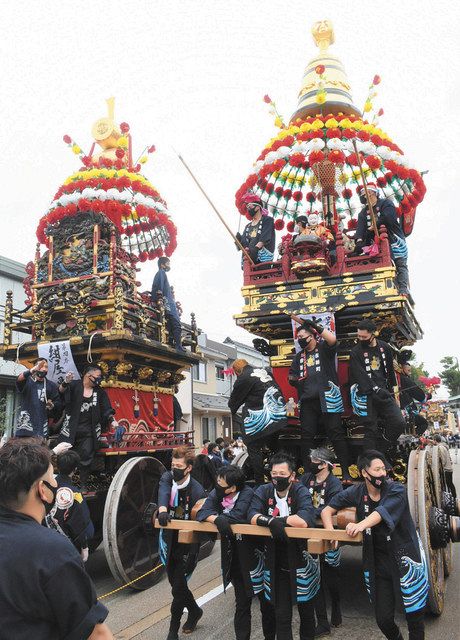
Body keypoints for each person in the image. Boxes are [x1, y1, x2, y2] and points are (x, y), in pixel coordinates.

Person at [0, 438, 113, 640]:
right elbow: (96, 634)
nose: (56, 483)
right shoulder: (51, 550)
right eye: (53, 478)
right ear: (42, 490)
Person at [322, 450, 428, 640]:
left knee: (414, 616)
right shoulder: (357, 491)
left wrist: (360, 525)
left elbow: (381, 512)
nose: (382, 473)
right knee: (383, 619)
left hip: (405, 557)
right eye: (377, 469)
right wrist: (331, 532)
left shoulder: (396, 489)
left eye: (383, 469)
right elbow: (328, 510)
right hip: (377, 560)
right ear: (364, 473)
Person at [197, 466, 276, 640]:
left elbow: (240, 515)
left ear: (232, 488)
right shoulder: (218, 492)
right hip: (235, 557)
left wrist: (221, 519)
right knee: (241, 603)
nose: (217, 484)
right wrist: (217, 519)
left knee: (267, 603)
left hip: (256, 555)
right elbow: (203, 511)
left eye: (221, 482)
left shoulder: (248, 493)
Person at [248, 452, 319, 640]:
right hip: (275, 559)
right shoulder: (263, 491)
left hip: (301, 557)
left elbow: (304, 519)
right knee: (282, 615)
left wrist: (278, 520)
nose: (277, 478)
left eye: (282, 474)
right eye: (274, 474)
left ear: (292, 476)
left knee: (306, 612)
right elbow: (252, 516)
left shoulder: (300, 491)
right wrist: (271, 522)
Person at [288, 319, 350, 481]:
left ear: (312, 336)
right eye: (298, 337)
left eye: (303, 336)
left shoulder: (324, 349)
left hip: (329, 399)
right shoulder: (299, 357)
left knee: (336, 435)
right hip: (308, 402)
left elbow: (332, 340)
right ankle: (309, 473)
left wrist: (315, 326)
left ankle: (346, 472)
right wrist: (293, 379)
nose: (300, 339)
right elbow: (292, 374)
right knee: (306, 437)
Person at [158, 446, 206, 640]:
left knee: (178, 587)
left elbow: (200, 523)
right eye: (172, 465)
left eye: (179, 466)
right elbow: (162, 491)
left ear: (188, 468)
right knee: (175, 583)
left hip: (188, 544)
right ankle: (194, 610)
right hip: (169, 539)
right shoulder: (167, 478)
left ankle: (172, 631)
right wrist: (162, 510)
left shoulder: (197, 490)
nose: (174, 469)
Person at [300, 448, 343, 636]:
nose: (311, 462)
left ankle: (336, 605)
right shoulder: (306, 478)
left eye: (314, 460)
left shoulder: (334, 484)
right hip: (309, 530)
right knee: (313, 574)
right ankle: (322, 622)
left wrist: (309, 512)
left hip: (328, 531)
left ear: (324, 464)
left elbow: (332, 507)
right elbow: (299, 497)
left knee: (331, 575)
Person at [349, 320, 406, 453]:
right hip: (366, 394)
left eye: (364, 337)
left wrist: (395, 394)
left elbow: (391, 374)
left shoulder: (384, 347)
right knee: (370, 429)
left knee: (399, 422)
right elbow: (359, 375)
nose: (360, 339)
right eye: (359, 336)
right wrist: (375, 388)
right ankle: (370, 460)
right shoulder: (355, 352)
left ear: (373, 334)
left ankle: (382, 450)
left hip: (385, 393)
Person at [57, 365, 118, 491]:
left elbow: (107, 410)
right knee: (65, 456)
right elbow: (61, 392)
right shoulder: (74, 385)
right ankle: (62, 483)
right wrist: (66, 382)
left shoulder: (100, 392)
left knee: (86, 456)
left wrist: (114, 423)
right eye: (97, 376)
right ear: (88, 375)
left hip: (89, 431)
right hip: (70, 429)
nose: (99, 379)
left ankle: (83, 484)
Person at [228, 359, 287, 485]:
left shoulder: (243, 377)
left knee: (253, 448)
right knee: (275, 447)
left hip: (262, 417)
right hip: (279, 415)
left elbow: (233, 403)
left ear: (237, 371)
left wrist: (235, 412)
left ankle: (259, 482)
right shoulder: (265, 372)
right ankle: (283, 475)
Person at [355, 183, 410, 296]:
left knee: (400, 264)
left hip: (393, 239)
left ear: (371, 193)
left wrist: (375, 225)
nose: (363, 196)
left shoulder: (386, 203)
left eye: (365, 193)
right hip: (373, 243)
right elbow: (360, 230)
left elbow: (389, 218)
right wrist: (359, 241)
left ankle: (403, 288)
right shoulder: (362, 213)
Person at [45, 449, 94, 561]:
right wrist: (84, 546)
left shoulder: (46, 487)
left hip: (46, 535)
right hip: (66, 541)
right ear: (75, 469)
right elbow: (81, 522)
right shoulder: (75, 493)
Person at [15, 357, 62, 438]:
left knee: (39, 449)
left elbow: (58, 403)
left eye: (46, 367)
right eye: (41, 366)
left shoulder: (51, 385)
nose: (44, 369)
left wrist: (52, 405)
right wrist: (31, 371)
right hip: (25, 427)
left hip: (41, 426)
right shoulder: (27, 381)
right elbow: (19, 379)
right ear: (35, 368)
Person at [151, 256, 185, 351]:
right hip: (167, 302)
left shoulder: (161, 274)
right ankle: (178, 345)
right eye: (168, 263)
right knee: (176, 324)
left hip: (167, 302)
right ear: (162, 264)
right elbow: (159, 288)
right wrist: (160, 300)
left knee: (171, 324)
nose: (169, 265)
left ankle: (175, 343)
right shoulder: (161, 273)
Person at [236, 192, 276, 264]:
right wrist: (238, 240)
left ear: (257, 207)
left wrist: (255, 249)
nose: (248, 209)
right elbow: (244, 243)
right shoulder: (248, 226)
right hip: (249, 258)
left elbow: (265, 238)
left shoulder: (267, 220)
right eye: (247, 207)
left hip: (262, 257)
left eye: (250, 207)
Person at [398, 359, 431, 436]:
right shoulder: (403, 379)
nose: (410, 373)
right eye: (408, 370)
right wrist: (427, 396)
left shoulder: (397, 377)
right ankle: (413, 436)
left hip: (400, 408)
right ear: (402, 368)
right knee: (424, 423)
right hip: (405, 411)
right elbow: (420, 396)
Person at [433, 434, 456, 499]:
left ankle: (454, 498)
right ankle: (453, 497)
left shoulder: (440, 447)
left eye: (433, 440)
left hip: (446, 469)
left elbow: (443, 460)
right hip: (448, 468)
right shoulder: (442, 446)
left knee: (449, 484)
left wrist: (439, 467)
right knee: (449, 484)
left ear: (435, 440)